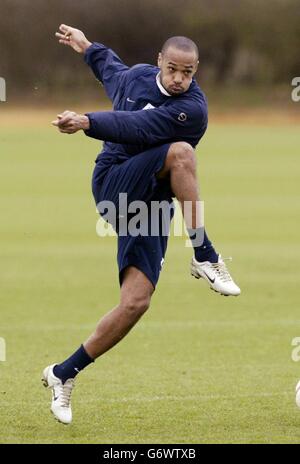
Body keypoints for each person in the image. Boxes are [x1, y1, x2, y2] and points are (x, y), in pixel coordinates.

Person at [42, 24, 241, 425]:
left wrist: (87, 121)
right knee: (181, 154)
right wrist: (87, 46)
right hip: (114, 183)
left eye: (188, 72)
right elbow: (110, 70)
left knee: (135, 303)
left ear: (196, 70)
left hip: (149, 206)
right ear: (159, 64)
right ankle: (204, 252)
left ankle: (63, 373)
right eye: (172, 69)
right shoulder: (136, 79)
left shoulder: (193, 110)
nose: (180, 79)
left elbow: (141, 127)